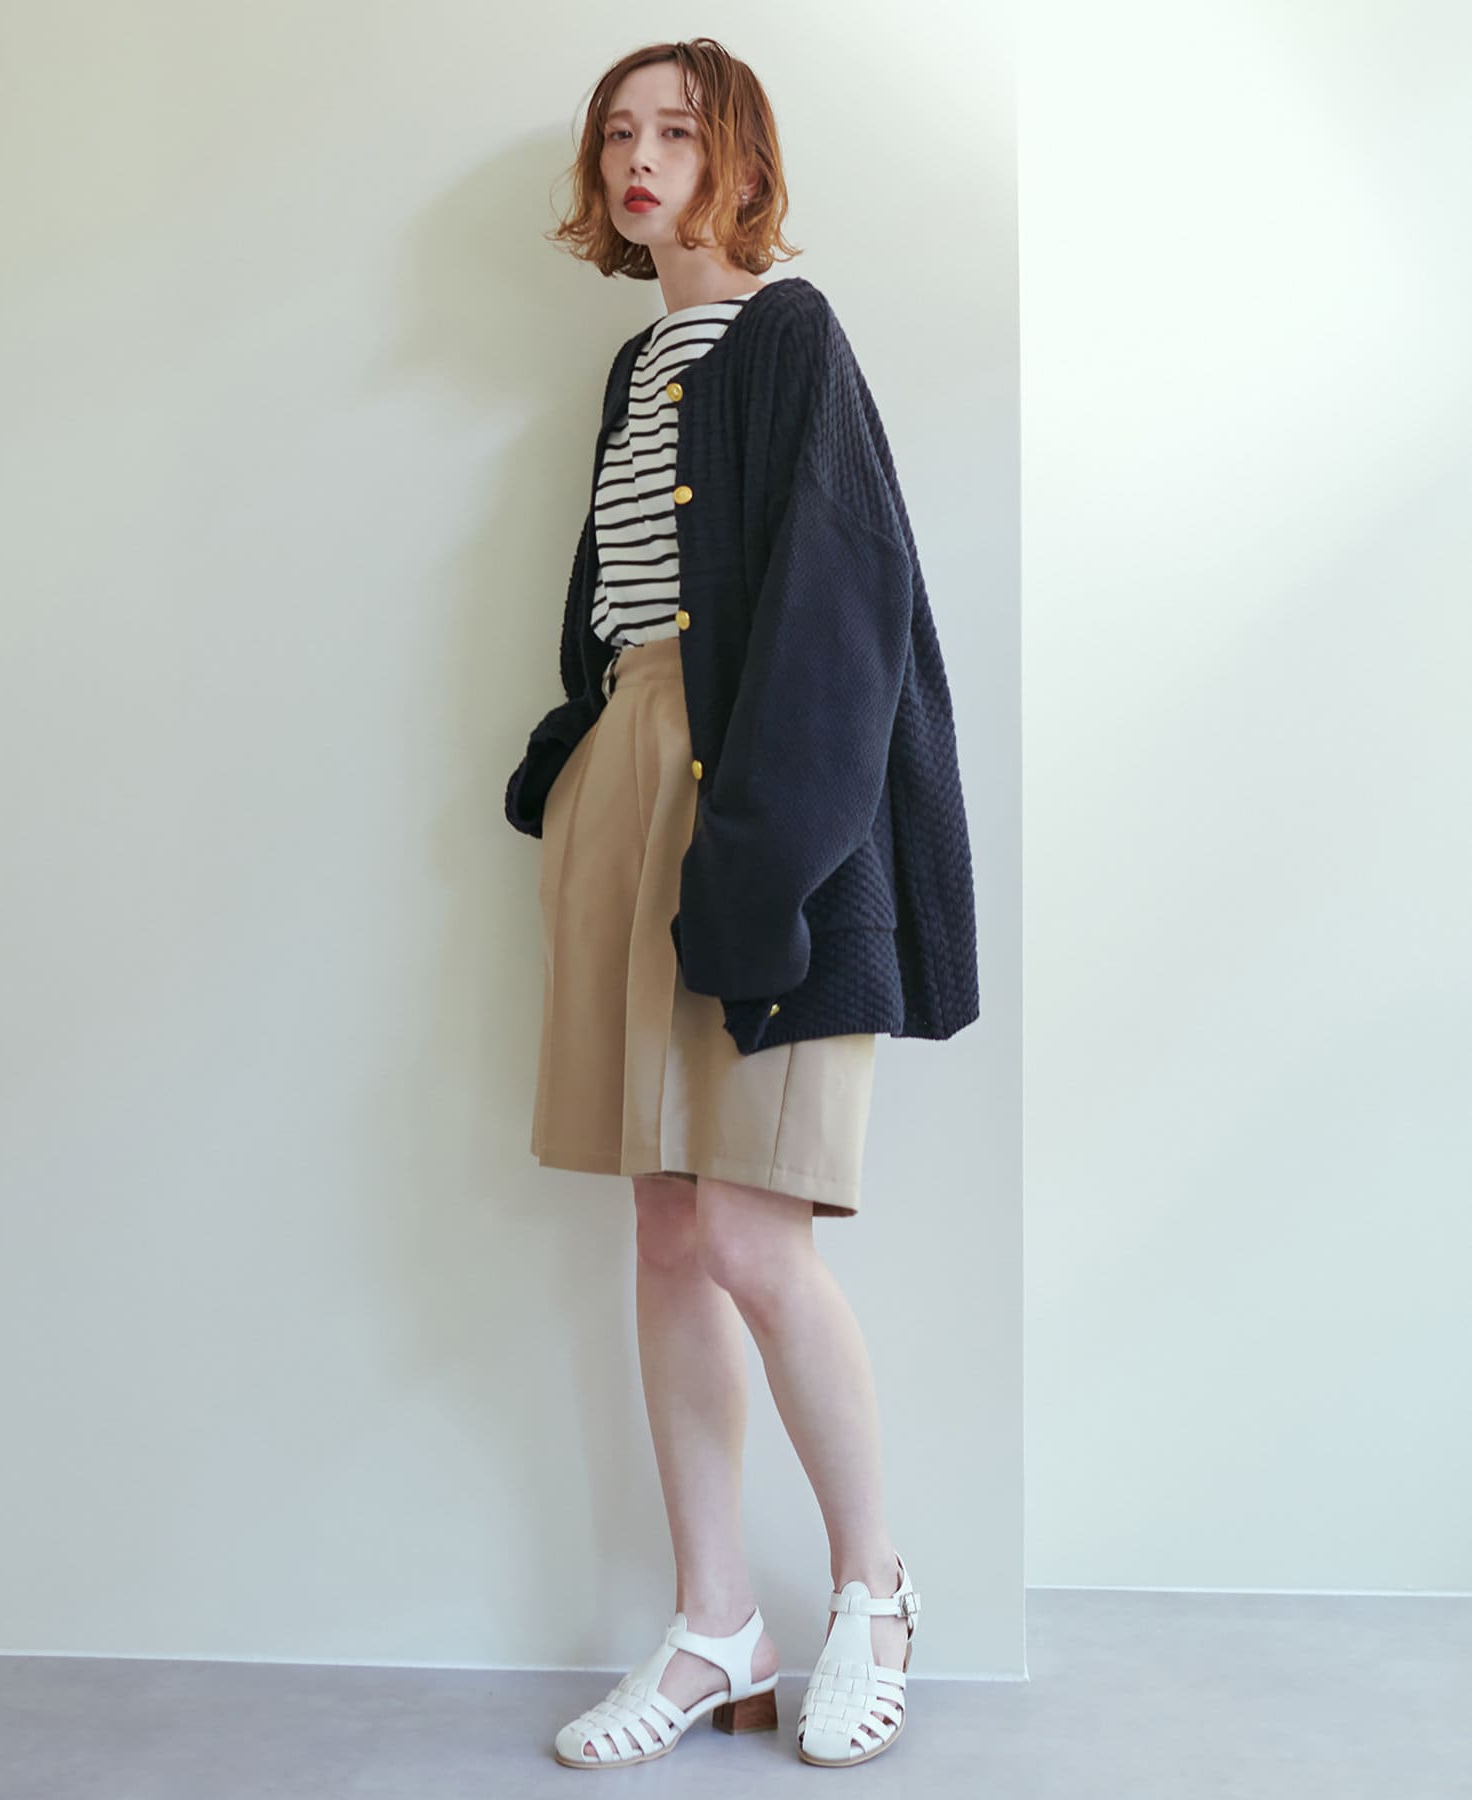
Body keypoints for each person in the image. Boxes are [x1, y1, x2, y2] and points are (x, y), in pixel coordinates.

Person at [504, 37, 979, 1770]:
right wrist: (571, 766)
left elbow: (844, 620)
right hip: (632, 790)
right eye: (616, 136)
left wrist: (762, 860)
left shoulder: (789, 337)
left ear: (739, 159)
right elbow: (626, 616)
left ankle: (876, 1593)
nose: (640, 159)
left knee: (756, 1237)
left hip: (766, 806)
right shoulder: (637, 366)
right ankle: (717, 1627)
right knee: (665, 1231)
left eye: (676, 132)